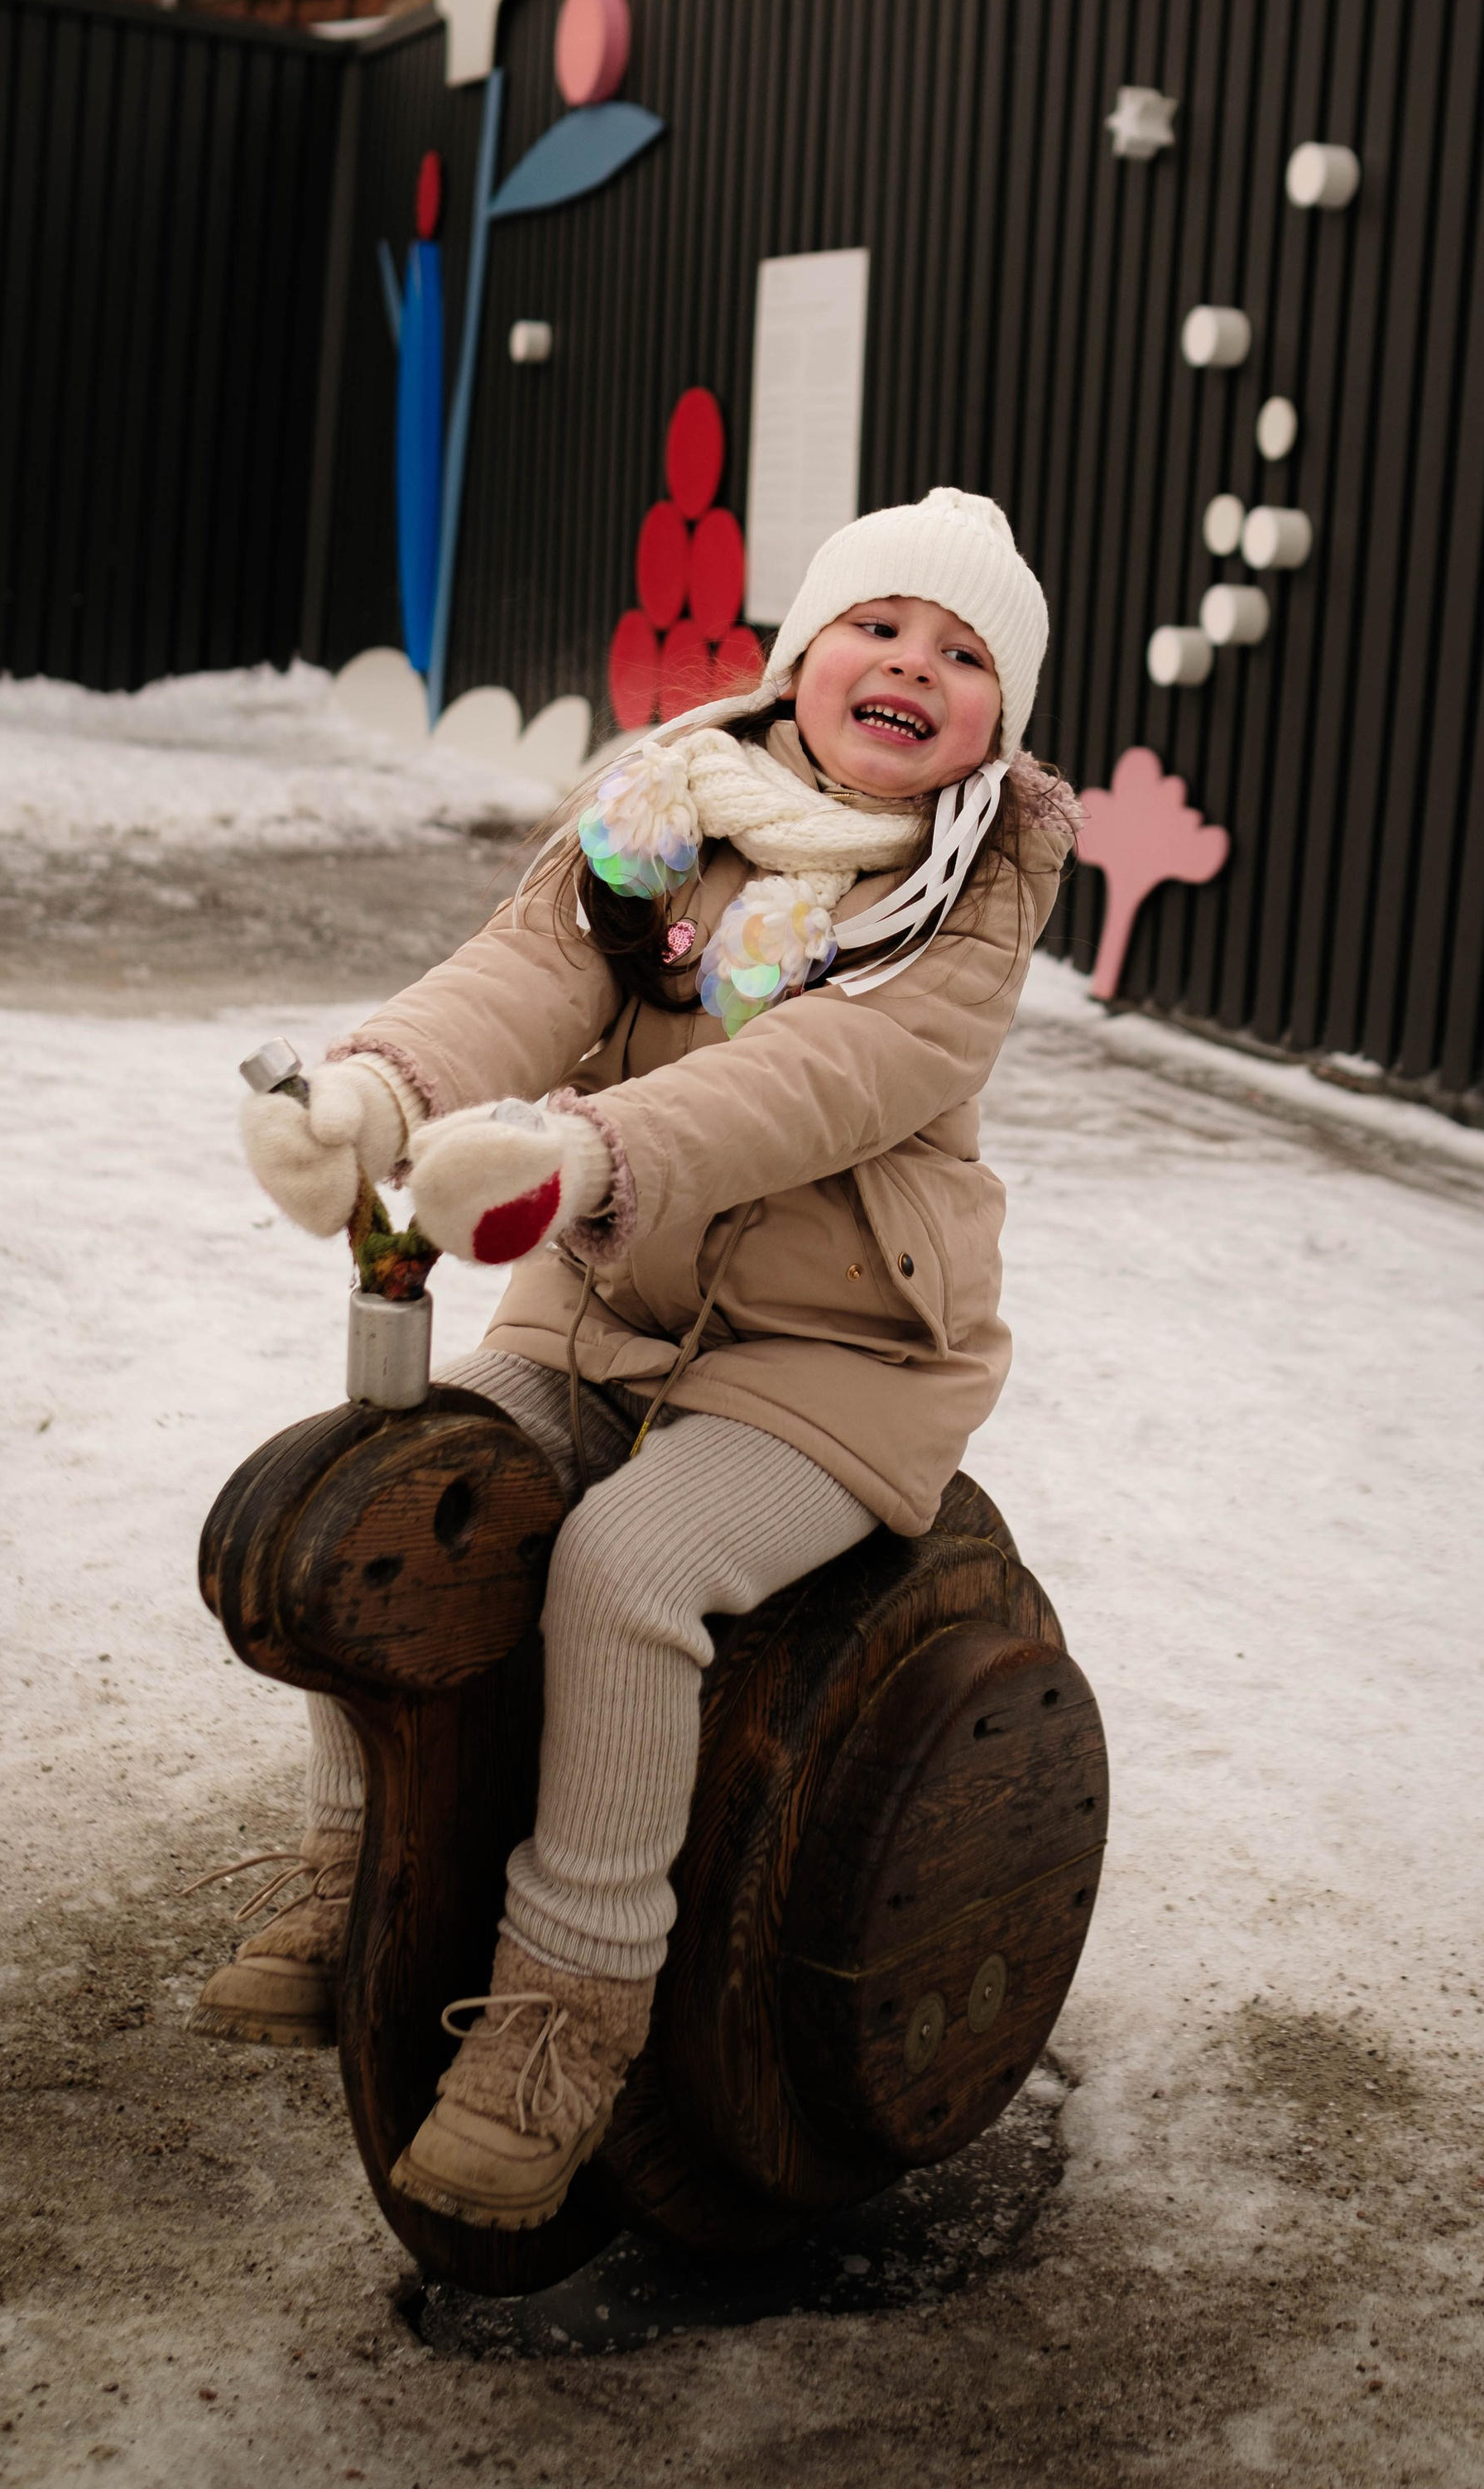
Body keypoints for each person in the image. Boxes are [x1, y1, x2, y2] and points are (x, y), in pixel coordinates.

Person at [197, 486, 1076, 2233]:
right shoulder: (666, 800)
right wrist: (380, 1091)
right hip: (604, 1303)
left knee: (625, 1566)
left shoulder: (971, 887)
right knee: (399, 1491)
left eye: (964, 654)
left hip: (835, 1351)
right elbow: (524, 975)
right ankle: (356, 1864)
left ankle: (566, 2012)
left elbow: (824, 1079)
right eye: (877, 625)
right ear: (800, 655)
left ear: (999, 720)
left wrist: (584, 1157)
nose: (912, 664)